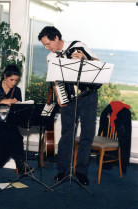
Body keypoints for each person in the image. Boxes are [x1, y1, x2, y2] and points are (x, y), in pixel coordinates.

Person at [38, 26, 101, 185]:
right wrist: (59, 96)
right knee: (67, 135)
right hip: (69, 100)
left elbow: (97, 64)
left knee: (87, 135)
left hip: (88, 97)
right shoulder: (50, 57)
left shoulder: (78, 45)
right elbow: (55, 80)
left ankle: (81, 172)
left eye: (48, 44)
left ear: (56, 38)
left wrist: (85, 59)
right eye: (44, 45)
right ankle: (63, 171)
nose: (47, 48)